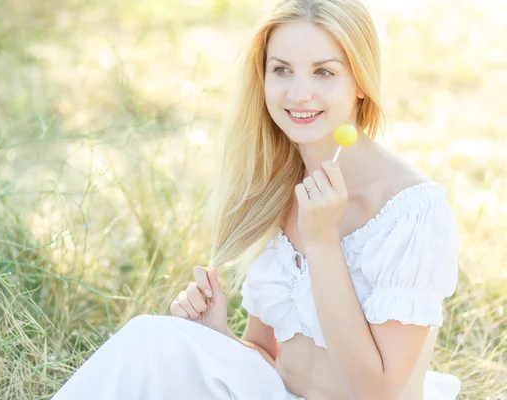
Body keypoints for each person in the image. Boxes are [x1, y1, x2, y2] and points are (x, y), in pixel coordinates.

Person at [52, 0, 462, 399]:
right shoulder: (277, 188)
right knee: (153, 340)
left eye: (324, 72)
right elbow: (267, 353)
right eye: (282, 70)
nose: (299, 93)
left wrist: (321, 243)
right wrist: (220, 336)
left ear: (360, 83)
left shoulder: (409, 211)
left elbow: (378, 394)